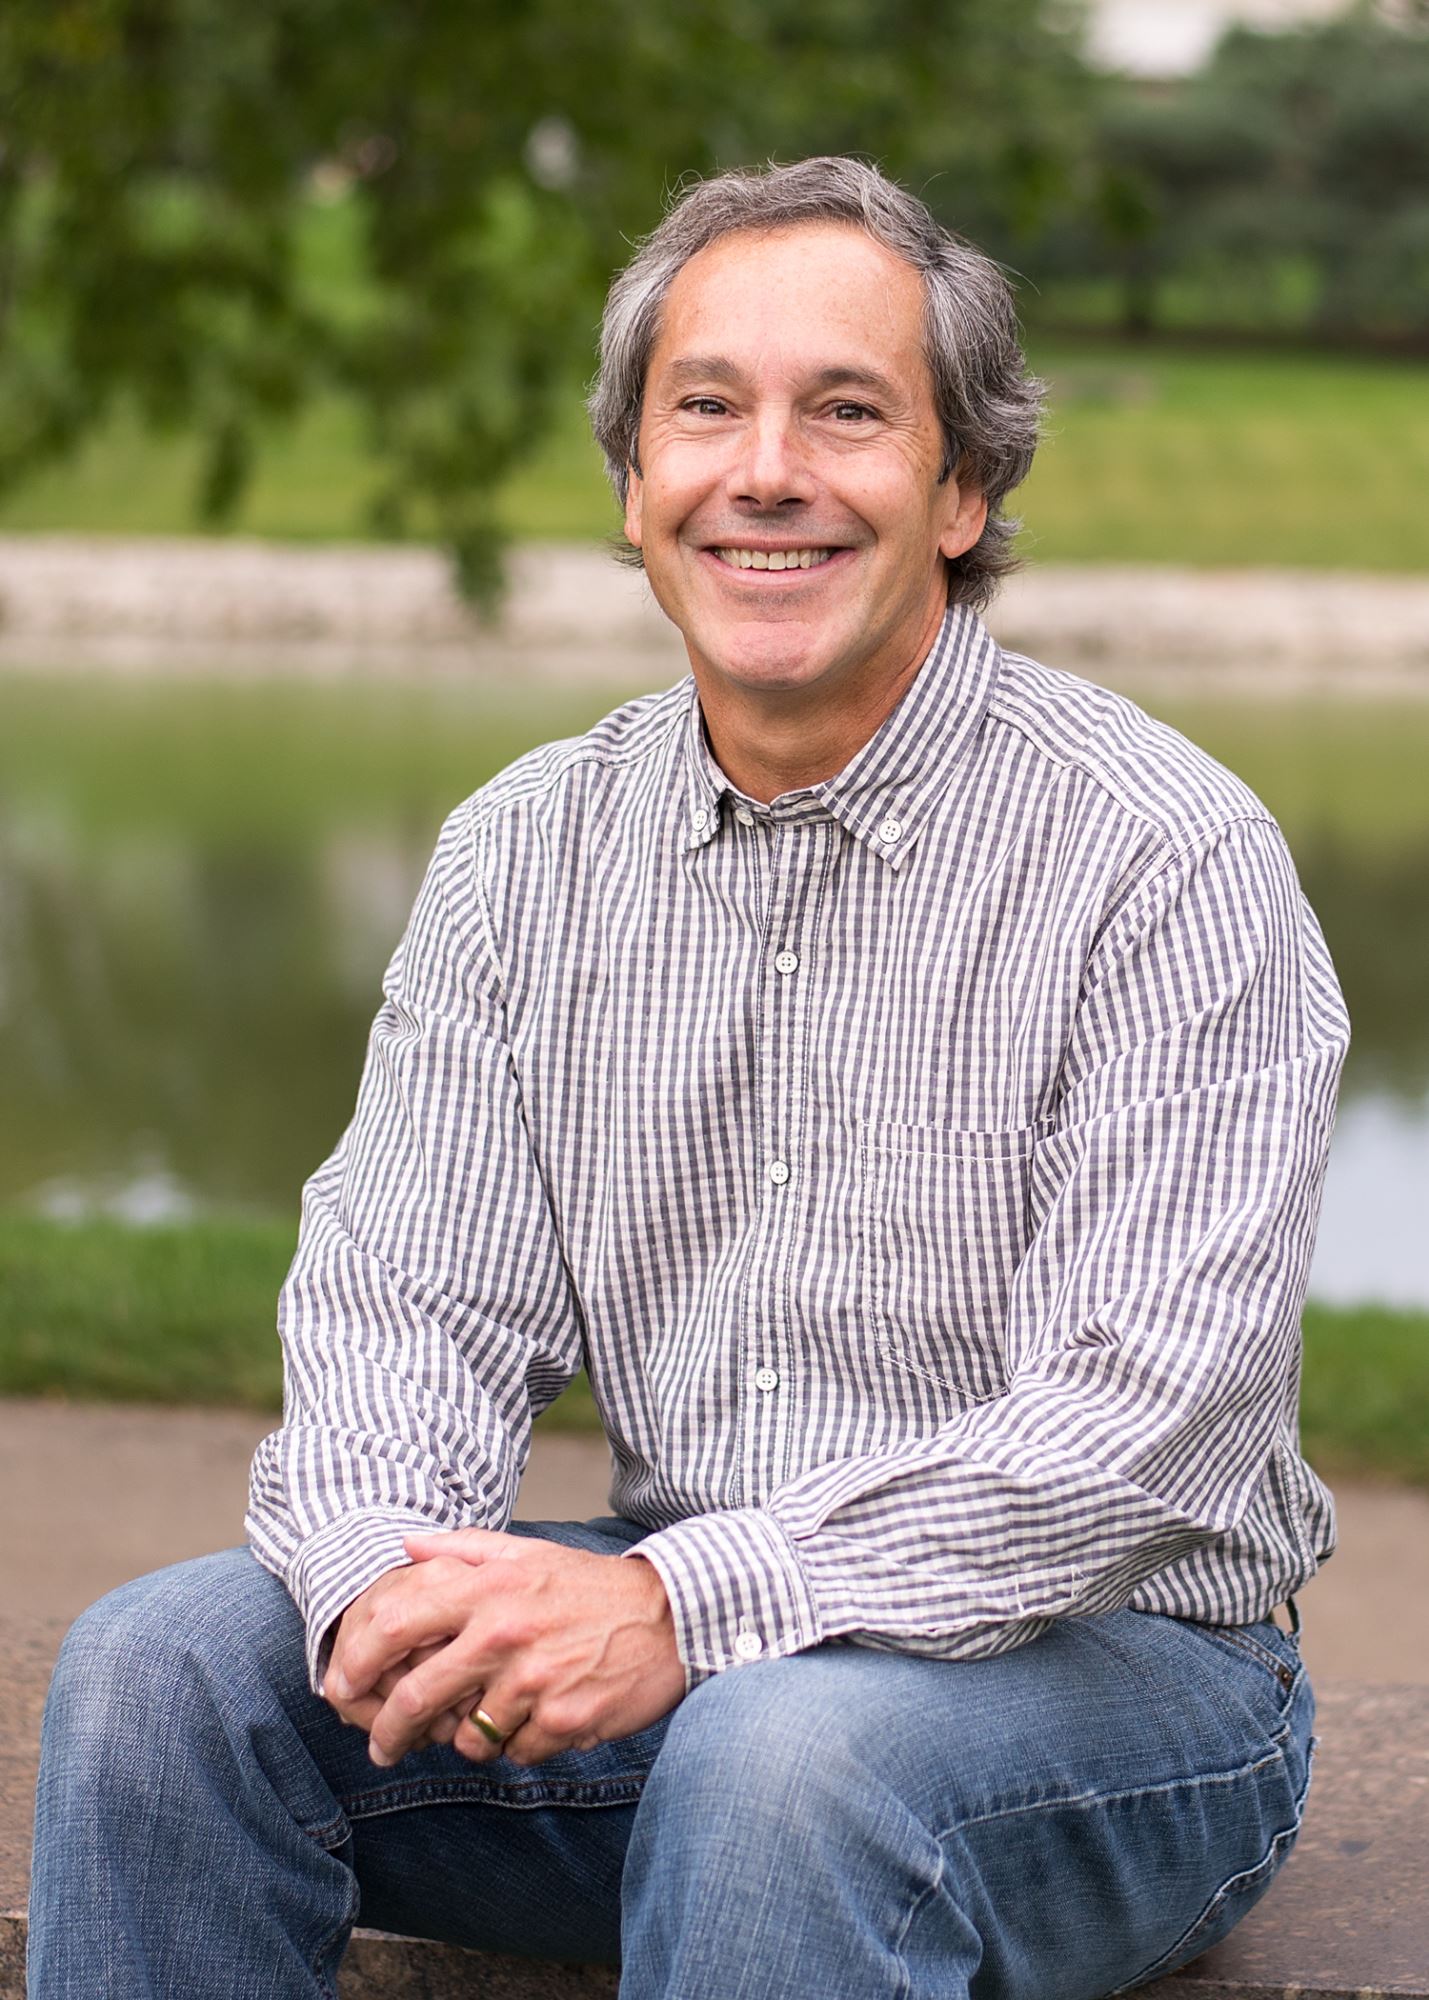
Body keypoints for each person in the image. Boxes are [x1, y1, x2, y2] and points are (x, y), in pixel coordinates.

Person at [29, 156, 1346, 2000]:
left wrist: (677, 1606)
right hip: (689, 1680)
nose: (765, 470)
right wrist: (389, 1589)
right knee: (165, 1677)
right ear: (634, 487)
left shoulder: (1162, 858)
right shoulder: (527, 850)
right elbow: (405, 1302)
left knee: (780, 1759)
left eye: (848, 413)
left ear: (963, 490)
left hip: (1117, 1688)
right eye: (704, 409)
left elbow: (1131, 1423)